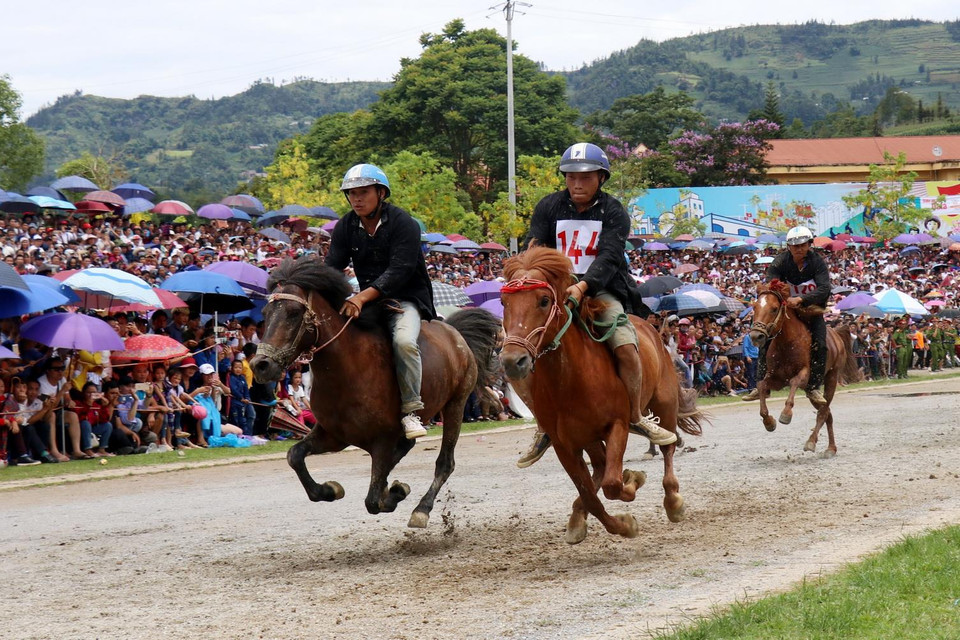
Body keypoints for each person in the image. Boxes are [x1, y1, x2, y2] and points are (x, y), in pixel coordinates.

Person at [515, 142, 678, 469]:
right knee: (516, 348)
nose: (577, 183)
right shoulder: (548, 207)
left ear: (600, 178)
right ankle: (543, 424)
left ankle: (635, 414)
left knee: (625, 343)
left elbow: (609, 256)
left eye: (585, 177)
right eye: (571, 176)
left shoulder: (614, 211)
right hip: (555, 292)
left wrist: (583, 285)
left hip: (601, 289)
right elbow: (533, 246)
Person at [325, 163, 436, 439]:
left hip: (406, 298)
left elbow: (400, 271)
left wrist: (361, 297)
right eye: (351, 194)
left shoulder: (403, 223)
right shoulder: (345, 226)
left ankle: (411, 410)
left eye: (363, 192)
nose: (357, 199)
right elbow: (331, 267)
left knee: (404, 343)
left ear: (381, 193)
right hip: (370, 301)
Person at [742, 225, 831, 406]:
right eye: (795, 246)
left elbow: (824, 289)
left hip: (812, 310)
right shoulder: (780, 261)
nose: (799, 249)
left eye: (803, 245)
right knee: (766, 337)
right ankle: (761, 385)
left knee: (821, 345)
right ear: (788, 247)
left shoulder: (817, 262)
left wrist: (801, 299)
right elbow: (770, 284)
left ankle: (813, 387)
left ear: (809, 245)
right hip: (787, 309)